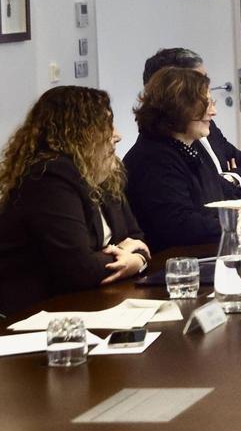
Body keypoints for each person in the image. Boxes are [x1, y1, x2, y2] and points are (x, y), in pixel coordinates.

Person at [0, 87, 149, 316]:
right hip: (36, 313)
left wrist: (136, 260)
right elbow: (80, 269)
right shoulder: (48, 177)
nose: (117, 135)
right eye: (106, 126)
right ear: (78, 132)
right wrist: (125, 255)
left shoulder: (102, 172)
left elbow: (137, 238)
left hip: (90, 302)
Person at [123, 67, 241, 249]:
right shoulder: (154, 158)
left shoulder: (188, 146)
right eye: (207, 104)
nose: (213, 112)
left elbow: (222, 190)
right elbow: (182, 226)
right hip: (172, 265)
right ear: (181, 107)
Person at [142, 47, 241, 195]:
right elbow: (205, 196)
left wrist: (231, 178)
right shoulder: (163, 153)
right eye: (196, 85)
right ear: (173, 94)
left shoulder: (207, 128)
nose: (206, 90)